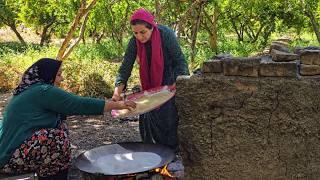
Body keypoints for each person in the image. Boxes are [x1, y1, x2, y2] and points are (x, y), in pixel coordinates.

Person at [0, 58, 136, 179]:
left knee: (60, 128)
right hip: (9, 159)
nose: (62, 79)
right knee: (55, 138)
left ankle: (55, 173)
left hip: (11, 153)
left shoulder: (31, 90)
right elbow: (79, 104)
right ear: (48, 75)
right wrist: (118, 105)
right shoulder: (43, 91)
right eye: (58, 75)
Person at [112, 8, 189, 152]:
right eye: (135, 33)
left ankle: (171, 153)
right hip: (149, 83)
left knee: (168, 118)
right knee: (147, 112)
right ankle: (152, 152)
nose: (139, 37)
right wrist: (117, 92)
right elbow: (125, 67)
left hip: (169, 79)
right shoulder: (134, 42)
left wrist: (180, 82)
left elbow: (179, 60)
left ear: (152, 27)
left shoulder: (166, 35)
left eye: (143, 32)